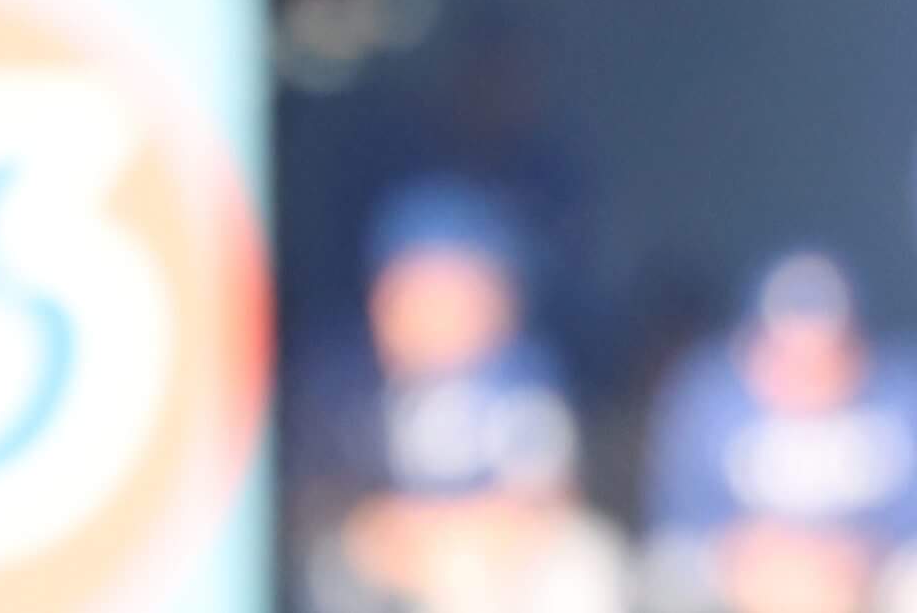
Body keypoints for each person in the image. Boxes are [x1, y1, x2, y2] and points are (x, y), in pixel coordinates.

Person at [289, 176, 629, 613]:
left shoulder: (521, 375)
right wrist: (395, 540)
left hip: (491, 568)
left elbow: (544, 500)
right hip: (393, 574)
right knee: (334, 567)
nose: (432, 307)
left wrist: (463, 540)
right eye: (413, 286)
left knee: (585, 559)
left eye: (453, 286)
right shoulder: (346, 383)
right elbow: (321, 507)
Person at [644, 249, 917, 613]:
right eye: (786, 351)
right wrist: (745, 551)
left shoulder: (900, 393)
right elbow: (678, 512)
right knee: (669, 577)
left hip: (867, 568)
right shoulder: (708, 393)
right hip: (749, 566)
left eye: (823, 354)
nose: (804, 370)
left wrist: (860, 554)